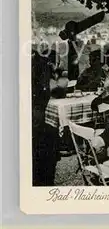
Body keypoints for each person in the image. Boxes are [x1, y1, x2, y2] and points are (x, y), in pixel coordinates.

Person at [31, 50, 60, 186]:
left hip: (36, 112)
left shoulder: (38, 63)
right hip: (41, 113)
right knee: (45, 149)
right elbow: (53, 87)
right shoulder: (44, 65)